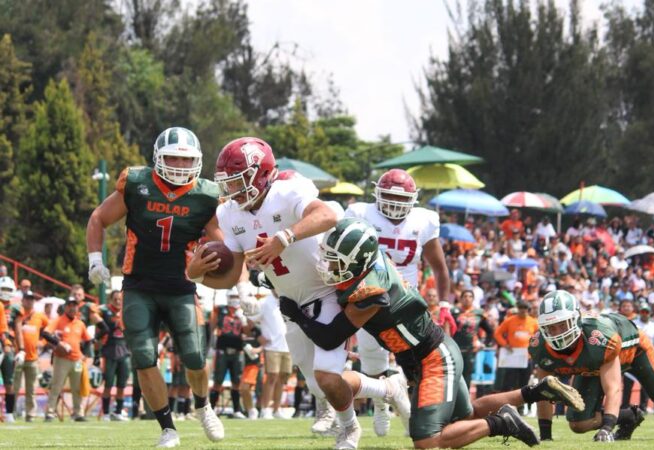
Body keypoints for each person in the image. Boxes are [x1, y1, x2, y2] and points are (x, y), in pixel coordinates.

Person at [279, 218, 586, 449]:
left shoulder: (370, 291)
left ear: (358, 261)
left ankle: (501, 423)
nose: (329, 265)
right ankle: (536, 391)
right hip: (427, 354)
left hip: (433, 360)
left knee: (427, 440)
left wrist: (296, 314)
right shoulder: (369, 265)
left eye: (337, 260)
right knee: (465, 419)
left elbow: (330, 337)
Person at [189, 137, 406, 449]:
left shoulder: (287, 188)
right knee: (319, 386)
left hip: (327, 290)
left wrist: (284, 237)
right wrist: (195, 275)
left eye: (237, 182)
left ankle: (350, 430)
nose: (232, 191)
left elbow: (329, 214)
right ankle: (387, 389)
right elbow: (232, 274)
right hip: (291, 303)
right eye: (228, 183)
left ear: (260, 175)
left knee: (329, 376)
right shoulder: (229, 214)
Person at [86, 126, 224, 447]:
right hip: (139, 285)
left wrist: (240, 282)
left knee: (194, 355)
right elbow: (98, 218)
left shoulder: (206, 196)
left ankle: (203, 407)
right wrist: (95, 259)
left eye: (185, 159)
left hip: (182, 285)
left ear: (198, 161)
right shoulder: (137, 183)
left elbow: (224, 248)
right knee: (144, 357)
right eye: (172, 157)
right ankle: (167, 428)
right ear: (157, 158)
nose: (178, 164)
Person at [344, 169, 451, 436]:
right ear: (377, 194)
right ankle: (382, 405)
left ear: (413, 199)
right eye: (388, 196)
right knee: (372, 359)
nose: (393, 204)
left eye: (400, 198)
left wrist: (446, 304)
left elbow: (439, 267)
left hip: (405, 298)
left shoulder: (424, 220)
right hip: (370, 294)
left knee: (417, 359)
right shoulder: (360, 213)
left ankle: (417, 416)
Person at [530, 290, 654, 442]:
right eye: (551, 327)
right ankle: (629, 417)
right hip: (594, 361)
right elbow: (544, 392)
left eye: (562, 325)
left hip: (633, 351)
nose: (557, 333)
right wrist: (545, 436)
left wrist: (607, 428)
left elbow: (613, 388)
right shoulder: (540, 348)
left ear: (576, 320)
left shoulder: (598, 338)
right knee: (578, 424)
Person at [44, 298, 92, 422]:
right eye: (69, 305)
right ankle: (50, 412)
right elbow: (45, 333)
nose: (72, 308)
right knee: (57, 386)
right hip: (62, 359)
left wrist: (85, 354)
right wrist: (59, 343)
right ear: (65, 307)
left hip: (77, 360)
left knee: (77, 388)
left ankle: (77, 413)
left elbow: (88, 340)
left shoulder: (80, 323)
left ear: (78, 308)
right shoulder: (59, 320)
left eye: (74, 306)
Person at [11, 292, 49, 421]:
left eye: (32, 299)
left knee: (31, 389)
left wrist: (43, 342)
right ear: (23, 300)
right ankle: (12, 412)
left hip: (33, 358)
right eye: (27, 299)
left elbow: (49, 330)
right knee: (14, 387)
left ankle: (30, 414)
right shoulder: (17, 314)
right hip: (18, 356)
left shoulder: (39, 316)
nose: (29, 302)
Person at [209, 290, 247, 419]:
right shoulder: (220, 310)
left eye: (237, 296)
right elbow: (212, 327)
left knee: (236, 381)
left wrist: (244, 319)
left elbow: (248, 331)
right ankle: (211, 410)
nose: (235, 298)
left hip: (237, 351)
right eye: (232, 296)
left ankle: (237, 410)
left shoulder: (243, 310)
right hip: (222, 351)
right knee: (217, 381)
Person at [258, 290, 292, 419]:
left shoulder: (288, 299)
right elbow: (250, 319)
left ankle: (277, 409)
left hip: (288, 346)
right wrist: (257, 335)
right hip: (272, 346)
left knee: (283, 378)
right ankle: (265, 409)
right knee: (272, 376)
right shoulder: (264, 302)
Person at [97, 290, 130, 421]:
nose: (117, 301)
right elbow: (103, 327)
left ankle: (118, 412)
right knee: (108, 384)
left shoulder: (126, 312)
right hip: (110, 350)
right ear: (111, 300)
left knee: (122, 384)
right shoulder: (105, 312)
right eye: (115, 299)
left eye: (119, 299)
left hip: (124, 350)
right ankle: (105, 413)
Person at [494, 301, 538, 397]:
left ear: (528, 310)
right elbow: (497, 333)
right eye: (521, 308)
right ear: (518, 309)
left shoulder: (534, 322)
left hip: (527, 357)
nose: (523, 310)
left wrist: (534, 346)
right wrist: (505, 344)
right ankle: (506, 403)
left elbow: (539, 336)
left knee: (524, 382)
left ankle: (521, 406)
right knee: (509, 381)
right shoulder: (510, 320)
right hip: (512, 356)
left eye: (525, 308)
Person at [0, 276, 16, 422]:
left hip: (5, 347)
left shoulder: (14, 308)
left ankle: (9, 413)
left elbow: (4, 329)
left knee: (9, 381)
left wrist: (6, 343)